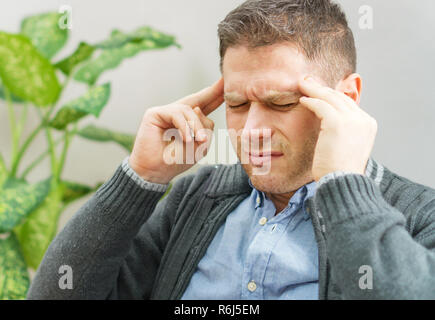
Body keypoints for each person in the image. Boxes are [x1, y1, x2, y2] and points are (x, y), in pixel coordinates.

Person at [28, 0, 435, 300]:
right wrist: (139, 179)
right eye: (237, 105)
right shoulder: (196, 199)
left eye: (281, 103)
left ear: (347, 98)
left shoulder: (421, 218)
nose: (251, 130)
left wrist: (344, 186)